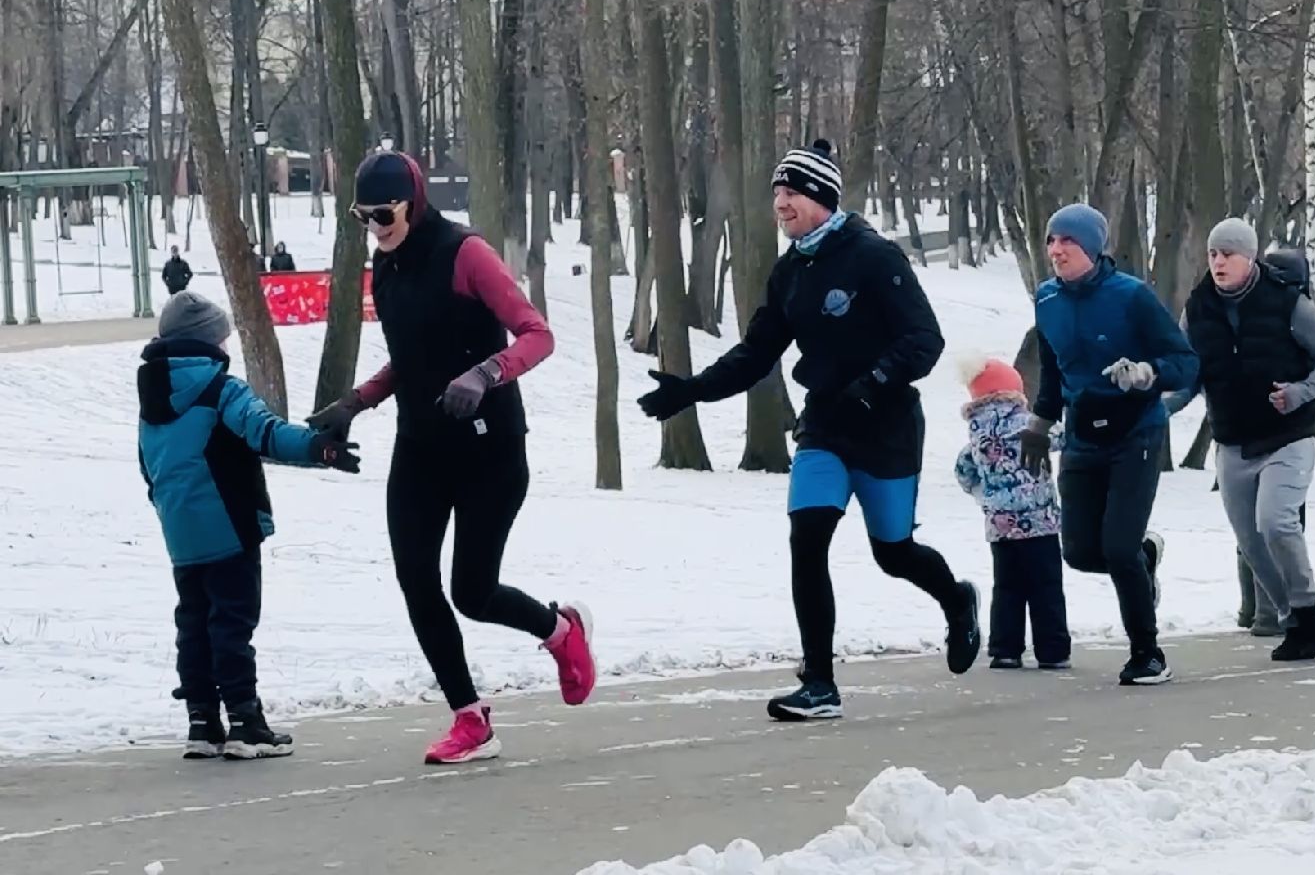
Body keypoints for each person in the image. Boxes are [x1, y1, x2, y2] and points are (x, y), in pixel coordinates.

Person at [638, 140, 982, 723]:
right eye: (776, 192)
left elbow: (925, 340)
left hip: (887, 427)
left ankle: (957, 600)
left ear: (822, 197)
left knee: (893, 552)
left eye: (792, 191)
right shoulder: (790, 272)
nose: (781, 203)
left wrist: (871, 383)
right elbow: (754, 355)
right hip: (824, 426)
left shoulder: (873, 257)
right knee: (808, 539)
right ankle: (820, 683)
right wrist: (690, 390)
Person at [307, 150, 595, 765]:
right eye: (363, 216)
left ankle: (561, 631)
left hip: (490, 449)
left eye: (384, 213)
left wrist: (485, 373)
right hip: (421, 447)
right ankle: (470, 719)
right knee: (415, 578)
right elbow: (411, 358)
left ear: (412, 202)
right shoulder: (383, 267)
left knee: (472, 590)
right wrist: (354, 402)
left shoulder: (465, 253)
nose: (375, 226)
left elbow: (537, 334)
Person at [138, 291, 360, 760]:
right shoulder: (222, 389)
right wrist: (319, 447)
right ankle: (245, 722)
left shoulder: (151, 398)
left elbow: (148, 462)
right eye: (222, 335)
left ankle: (202, 723)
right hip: (229, 522)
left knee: (194, 621)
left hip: (179, 528)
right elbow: (266, 432)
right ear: (208, 340)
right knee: (233, 621)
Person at [1022, 203, 1198, 686]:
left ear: (1094, 250)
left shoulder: (1132, 297)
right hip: (1082, 431)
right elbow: (1054, 370)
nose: (1056, 250)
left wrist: (1148, 374)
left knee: (1117, 548)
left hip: (1136, 430)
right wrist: (1040, 424)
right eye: (1051, 240)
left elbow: (1185, 363)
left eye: (1068, 242)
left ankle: (1148, 654)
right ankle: (1144, 559)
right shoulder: (1046, 300)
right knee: (1079, 552)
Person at [1164, 219, 1315, 662]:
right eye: (1213, 254)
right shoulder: (1198, 309)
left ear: (1250, 257)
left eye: (1229, 254)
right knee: (1251, 541)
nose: (1219, 262)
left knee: (1276, 522)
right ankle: (1292, 620)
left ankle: (1309, 610)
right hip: (1232, 440)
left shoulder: (1286, 302)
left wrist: (1300, 392)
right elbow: (1189, 374)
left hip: (1288, 436)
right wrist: (1161, 405)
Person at [954, 356, 1070, 670]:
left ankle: (1005, 649)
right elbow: (1061, 436)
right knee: (1046, 587)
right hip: (1038, 523)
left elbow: (963, 470)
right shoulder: (1028, 423)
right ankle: (1053, 649)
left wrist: (983, 493)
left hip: (1000, 525)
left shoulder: (976, 432)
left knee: (1007, 587)